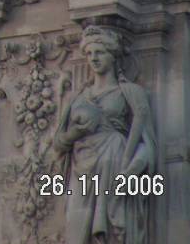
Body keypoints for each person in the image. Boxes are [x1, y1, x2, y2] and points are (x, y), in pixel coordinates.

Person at [54, 26, 156, 244]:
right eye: (89, 53)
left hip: (114, 159)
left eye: (100, 52)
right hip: (81, 166)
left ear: (113, 55)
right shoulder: (77, 97)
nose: (94, 58)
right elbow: (58, 144)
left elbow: (146, 140)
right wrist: (75, 133)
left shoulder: (130, 92)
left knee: (111, 231)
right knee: (75, 228)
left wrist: (132, 167)